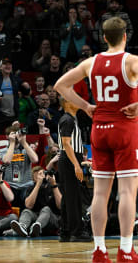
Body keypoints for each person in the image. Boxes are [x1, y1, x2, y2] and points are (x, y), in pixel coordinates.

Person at [55, 16, 138, 263]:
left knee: (100, 194)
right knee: (127, 193)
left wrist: (85, 106)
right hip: (124, 128)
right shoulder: (131, 60)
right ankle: (125, 250)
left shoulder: (92, 62)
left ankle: (99, 251)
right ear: (125, 36)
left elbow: (60, 85)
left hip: (99, 128)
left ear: (104, 38)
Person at [57, 99, 91, 242]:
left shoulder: (70, 119)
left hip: (69, 159)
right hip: (69, 159)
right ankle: (76, 232)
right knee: (73, 197)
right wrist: (76, 165)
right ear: (67, 103)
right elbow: (66, 143)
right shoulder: (68, 120)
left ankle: (65, 231)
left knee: (68, 197)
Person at [10, 166, 62, 238]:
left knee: (46, 209)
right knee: (26, 211)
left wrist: (54, 185)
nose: (41, 177)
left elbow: (60, 206)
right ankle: (22, 227)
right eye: (38, 176)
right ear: (34, 180)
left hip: (52, 219)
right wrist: (38, 184)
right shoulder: (31, 188)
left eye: (42, 174)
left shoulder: (55, 186)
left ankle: (37, 226)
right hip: (35, 218)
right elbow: (28, 205)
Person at [1, 125, 38, 198]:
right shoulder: (4, 151)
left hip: (27, 184)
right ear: (7, 136)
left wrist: (24, 142)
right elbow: (7, 161)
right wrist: (12, 143)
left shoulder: (26, 150)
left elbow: (35, 160)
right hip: (10, 185)